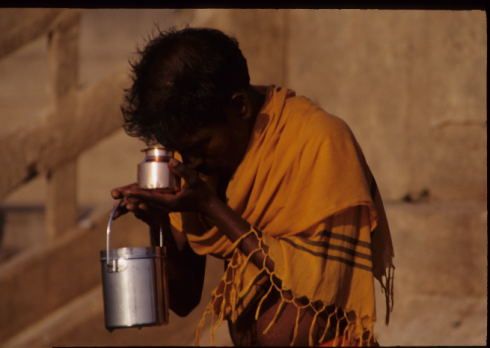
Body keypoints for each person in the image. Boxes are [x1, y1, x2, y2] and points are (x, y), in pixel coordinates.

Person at [111, 27, 395, 347]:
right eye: (181, 150)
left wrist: (210, 207)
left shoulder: (320, 142)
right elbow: (183, 299)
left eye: (201, 145)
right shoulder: (193, 162)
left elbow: (322, 285)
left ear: (240, 107)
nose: (190, 161)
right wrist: (158, 220)